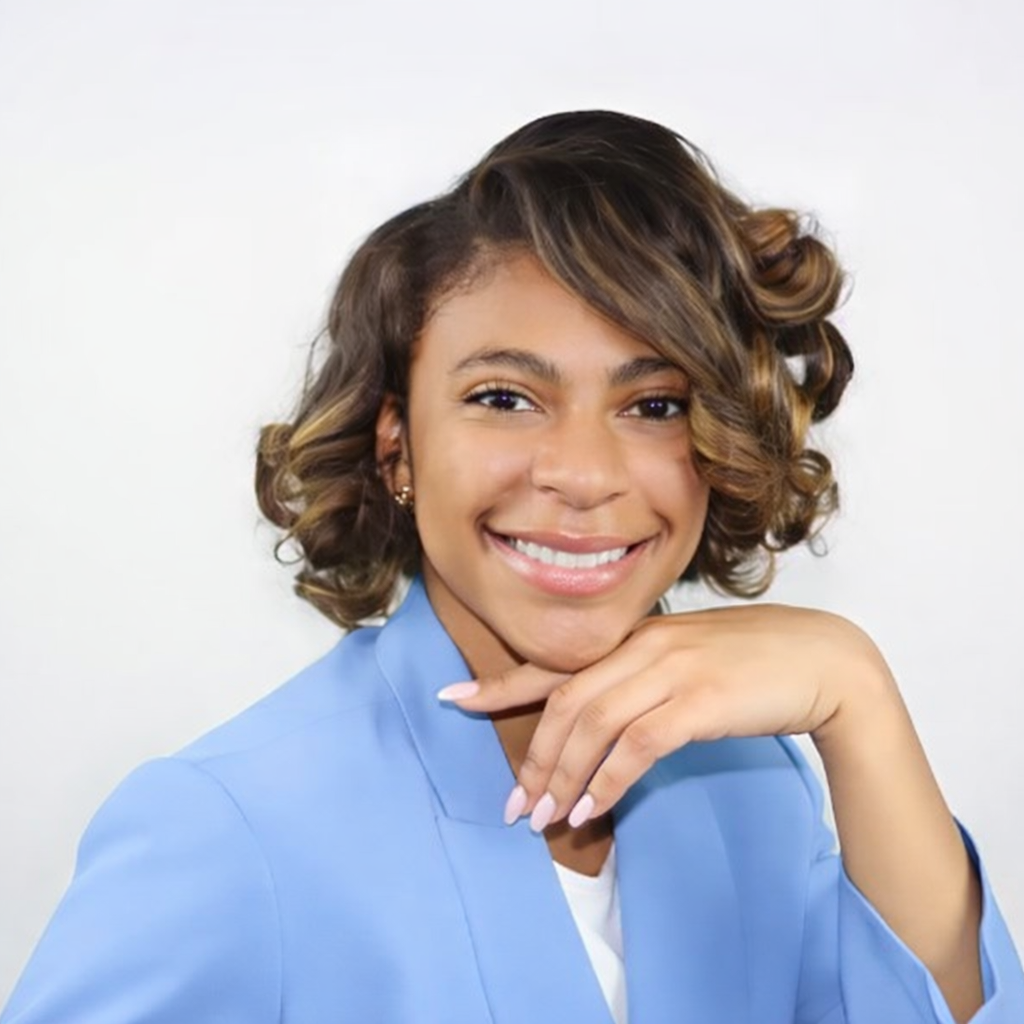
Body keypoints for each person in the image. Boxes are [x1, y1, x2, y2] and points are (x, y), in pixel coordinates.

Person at [3, 110, 1022, 1024]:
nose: (581, 474)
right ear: (397, 443)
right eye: (503, 397)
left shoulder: (748, 783)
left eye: (653, 403)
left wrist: (856, 692)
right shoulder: (230, 829)